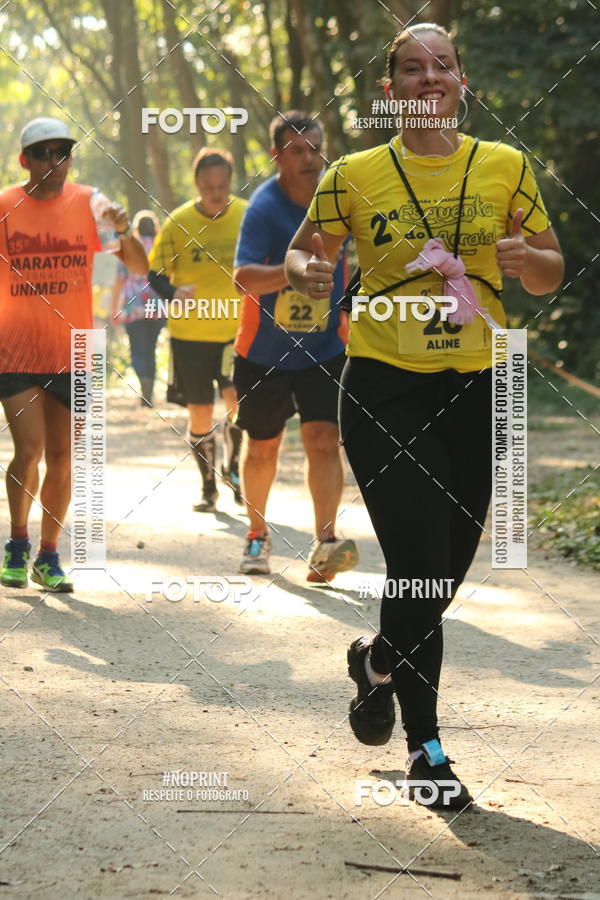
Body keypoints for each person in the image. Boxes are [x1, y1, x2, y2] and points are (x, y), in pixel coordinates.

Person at [285, 24, 563, 808]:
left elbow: (549, 270)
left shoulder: (505, 167)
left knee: (449, 564)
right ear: (391, 88)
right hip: (383, 384)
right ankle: (427, 752)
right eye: (411, 68)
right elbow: (307, 263)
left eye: (441, 65)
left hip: (476, 386)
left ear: (462, 80)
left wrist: (525, 262)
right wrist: (306, 267)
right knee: (418, 562)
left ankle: (375, 662)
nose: (428, 77)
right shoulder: (354, 173)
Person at [0, 117, 147, 591]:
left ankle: (48, 556)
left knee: (63, 457)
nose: (54, 162)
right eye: (43, 153)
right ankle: (18, 543)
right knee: (29, 451)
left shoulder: (90, 203)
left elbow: (139, 266)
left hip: (75, 348)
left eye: (63, 152)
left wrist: (124, 231)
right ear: (24, 160)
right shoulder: (4, 206)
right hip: (16, 349)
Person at [232, 111, 358, 581]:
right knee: (263, 448)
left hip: (324, 349)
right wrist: (294, 273)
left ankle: (325, 544)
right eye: (297, 151)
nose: (309, 159)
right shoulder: (264, 209)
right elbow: (242, 278)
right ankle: (257, 534)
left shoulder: (340, 197)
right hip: (263, 352)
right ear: (277, 157)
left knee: (324, 441)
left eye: (315, 148)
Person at [148, 149, 246, 511]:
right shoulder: (178, 222)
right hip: (189, 335)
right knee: (201, 412)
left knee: (239, 403)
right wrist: (173, 292)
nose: (216, 194)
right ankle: (209, 487)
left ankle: (233, 470)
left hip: (237, 330)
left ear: (230, 182)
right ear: (197, 185)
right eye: (209, 187)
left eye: (222, 186)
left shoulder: (247, 214)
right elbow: (153, 272)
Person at [112, 210, 165, 407]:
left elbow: (119, 280)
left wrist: (114, 308)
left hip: (132, 307)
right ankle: (148, 388)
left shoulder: (128, 248)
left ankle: (144, 381)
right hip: (157, 307)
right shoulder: (161, 247)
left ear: (136, 228)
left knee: (137, 349)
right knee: (151, 348)